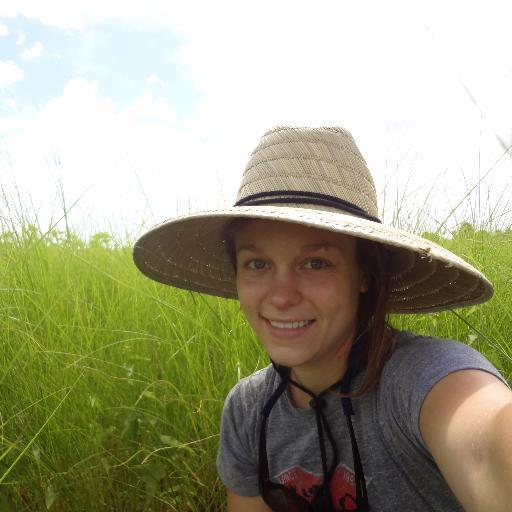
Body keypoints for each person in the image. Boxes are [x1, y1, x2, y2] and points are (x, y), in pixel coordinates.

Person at [133, 126, 512, 511]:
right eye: (257, 263)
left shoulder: (423, 378)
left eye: (316, 263)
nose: (281, 296)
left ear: (364, 275)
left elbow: (485, 445)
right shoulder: (249, 410)